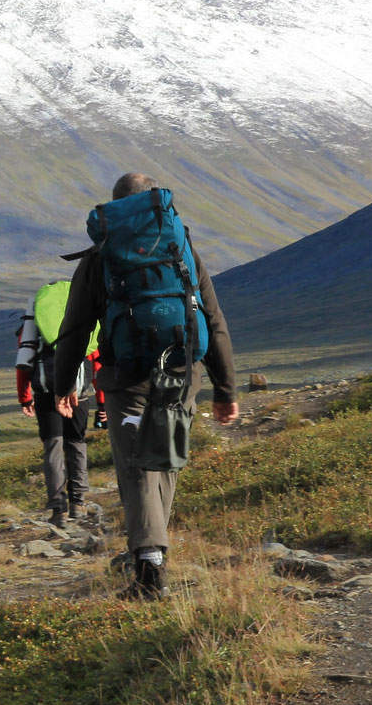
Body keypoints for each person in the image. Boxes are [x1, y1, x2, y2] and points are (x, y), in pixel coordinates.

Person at [52, 172, 239, 600]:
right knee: (165, 460)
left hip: (127, 377)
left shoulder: (101, 256)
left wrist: (67, 385)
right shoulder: (181, 247)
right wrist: (225, 389)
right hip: (181, 374)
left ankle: (149, 565)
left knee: (136, 467)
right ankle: (151, 550)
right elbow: (212, 319)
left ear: (115, 206)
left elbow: (75, 327)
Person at [14, 281, 105, 527]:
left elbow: (24, 360)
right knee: (76, 444)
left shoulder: (36, 325)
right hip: (81, 393)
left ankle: (58, 509)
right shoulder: (84, 324)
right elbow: (96, 362)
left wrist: (25, 397)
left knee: (53, 447)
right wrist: (103, 405)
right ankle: (79, 502)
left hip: (46, 391)